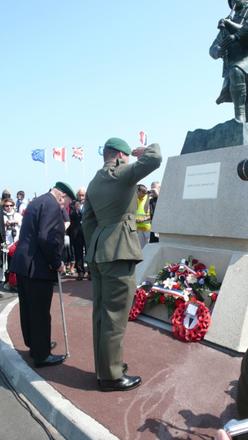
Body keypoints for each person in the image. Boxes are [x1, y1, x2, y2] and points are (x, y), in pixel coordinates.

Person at [83, 137, 162, 391]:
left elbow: (87, 221)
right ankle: (111, 376)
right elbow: (156, 157)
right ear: (119, 155)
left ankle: (105, 368)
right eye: (128, 155)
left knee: (101, 315)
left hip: (99, 252)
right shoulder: (122, 171)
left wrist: (97, 245)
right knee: (115, 317)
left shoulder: (94, 181)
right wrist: (144, 151)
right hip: (119, 251)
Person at [10, 182, 76, 368]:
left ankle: (36, 344)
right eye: (65, 204)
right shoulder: (52, 205)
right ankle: (42, 354)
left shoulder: (38, 201)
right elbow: (46, 237)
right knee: (39, 313)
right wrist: (57, 263)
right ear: (61, 196)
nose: (63, 207)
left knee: (29, 310)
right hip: (37, 267)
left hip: (24, 265)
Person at [209, 0, 248, 122]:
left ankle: (240, 116)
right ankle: (241, 121)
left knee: (237, 71)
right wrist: (218, 50)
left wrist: (235, 35)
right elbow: (212, 48)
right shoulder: (227, 21)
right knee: (235, 71)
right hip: (234, 63)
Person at [136, 184, 151, 248]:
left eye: (137, 192)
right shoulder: (135, 199)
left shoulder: (149, 199)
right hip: (139, 230)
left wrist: (144, 219)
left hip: (149, 230)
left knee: (150, 248)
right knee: (141, 250)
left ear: (141, 192)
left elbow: (155, 214)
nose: (135, 193)